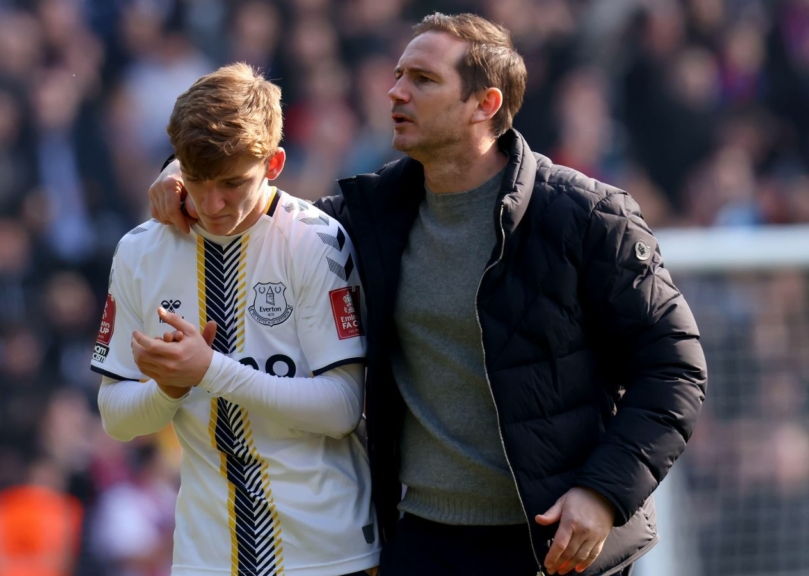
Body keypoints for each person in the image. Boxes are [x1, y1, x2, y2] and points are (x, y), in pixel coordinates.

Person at [148, 13, 707, 576]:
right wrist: (181, 168)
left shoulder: (588, 217)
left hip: (555, 547)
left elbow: (674, 369)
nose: (396, 91)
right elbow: (257, 204)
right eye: (397, 75)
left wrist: (603, 493)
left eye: (422, 79)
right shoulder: (367, 217)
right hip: (418, 543)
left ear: (484, 104)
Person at [94, 63, 379, 576]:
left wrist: (209, 370)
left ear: (274, 164)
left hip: (326, 554)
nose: (213, 202)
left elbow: (342, 407)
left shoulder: (316, 241)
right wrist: (169, 390)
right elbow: (115, 415)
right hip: (206, 556)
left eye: (232, 182)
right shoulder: (139, 251)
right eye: (197, 181)